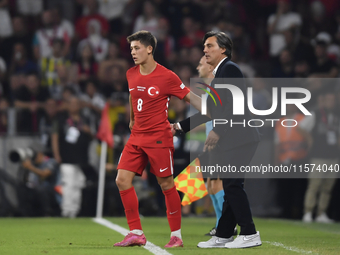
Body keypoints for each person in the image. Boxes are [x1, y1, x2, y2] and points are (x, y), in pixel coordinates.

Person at [172, 31, 262, 248]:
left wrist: (218, 130)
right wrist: (179, 127)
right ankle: (223, 234)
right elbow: (209, 110)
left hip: (240, 138)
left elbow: (234, 104)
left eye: (209, 46)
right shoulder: (220, 73)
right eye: (204, 46)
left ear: (223, 49)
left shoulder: (230, 69)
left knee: (232, 185)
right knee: (231, 185)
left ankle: (249, 232)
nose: (205, 50)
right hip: (235, 139)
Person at [114, 30, 201, 248]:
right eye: (132, 49)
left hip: (159, 138)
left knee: (166, 184)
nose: (133, 52)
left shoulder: (167, 76)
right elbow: (133, 94)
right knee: (121, 180)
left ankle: (176, 236)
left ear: (149, 48)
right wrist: (132, 118)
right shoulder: (130, 73)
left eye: (137, 48)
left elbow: (190, 97)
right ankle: (135, 232)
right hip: (136, 137)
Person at [196, 55, 225, 236]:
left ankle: (226, 225)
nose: (198, 67)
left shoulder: (218, 87)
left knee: (218, 185)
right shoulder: (208, 90)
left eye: (201, 64)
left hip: (220, 143)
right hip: (210, 143)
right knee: (210, 185)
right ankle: (220, 224)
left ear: (209, 67)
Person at [299, 92, 339, 223]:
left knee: (328, 186)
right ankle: (308, 212)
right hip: (318, 155)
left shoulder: (337, 115)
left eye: (333, 100)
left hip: (333, 155)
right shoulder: (316, 113)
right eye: (329, 99)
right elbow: (301, 127)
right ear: (324, 100)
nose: (331, 102)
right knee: (314, 184)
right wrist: (310, 140)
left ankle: (321, 213)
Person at [51, 96, 93, 218]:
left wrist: (88, 131)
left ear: (80, 106)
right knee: (68, 183)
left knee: (79, 183)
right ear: (67, 105)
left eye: (77, 103)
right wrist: (57, 154)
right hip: (66, 157)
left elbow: (93, 137)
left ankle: (75, 210)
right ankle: (66, 210)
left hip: (81, 158)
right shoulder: (61, 119)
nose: (74, 106)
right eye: (72, 103)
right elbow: (55, 137)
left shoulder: (84, 119)